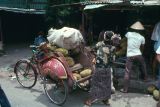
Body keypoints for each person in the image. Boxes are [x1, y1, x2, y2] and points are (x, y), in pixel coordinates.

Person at [84, 31, 116, 107]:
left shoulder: (99, 44)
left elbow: (92, 50)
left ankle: (90, 101)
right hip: (108, 68)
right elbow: (113, 60)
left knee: (95, 84)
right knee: (107, 84)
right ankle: (106, 100)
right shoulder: (113, 48)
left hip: (99, 68)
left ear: (104, 37)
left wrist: (97, 56)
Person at [120, 21, 148, 93]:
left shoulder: (128, 34)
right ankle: (145, 78)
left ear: (133, 29)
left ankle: (125, 89)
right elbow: (142, 48)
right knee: (143, 64)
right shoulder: (142, 37)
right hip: (138, 54)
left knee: (127, 72)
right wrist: (140, 53)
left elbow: (124, 41)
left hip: (130, 55)